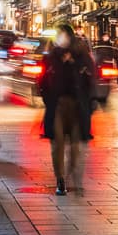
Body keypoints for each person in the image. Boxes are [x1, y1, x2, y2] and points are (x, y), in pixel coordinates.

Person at [39, 23, 94, 196]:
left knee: (76, 145)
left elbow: (90, 81)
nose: (61, 38)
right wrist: (48, 99)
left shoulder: (81, 56)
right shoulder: (51, 57)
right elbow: (42, 81)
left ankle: (73, 172)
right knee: (58, 143)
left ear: (70, 36)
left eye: (63, 35)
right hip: (57, 105)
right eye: (58, 35)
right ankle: (60, 179)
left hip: (77, 106)